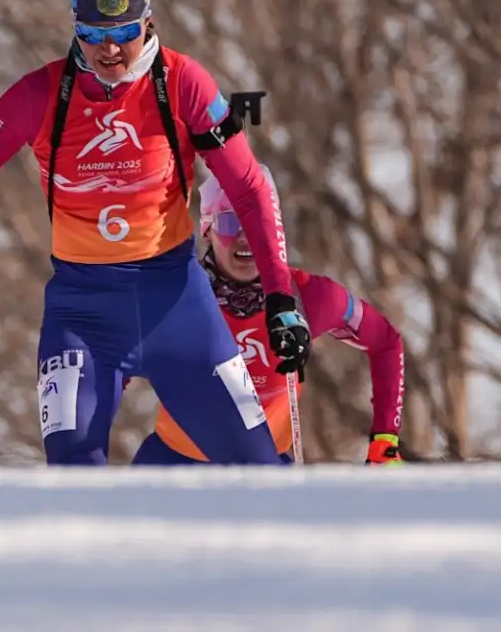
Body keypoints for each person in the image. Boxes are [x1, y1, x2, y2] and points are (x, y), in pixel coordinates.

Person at [0, 0, 312, 465]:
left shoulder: (182, 83)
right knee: (76, 480)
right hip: (82, 315)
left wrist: (280, 300)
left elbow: (248, 187)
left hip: (177, 307)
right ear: (75, 26)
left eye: (123, 34)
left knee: (259, 473)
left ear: (147, 21)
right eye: (94, 35)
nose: (110, 51)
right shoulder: (40, 96)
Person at [133, 167, 407, 466]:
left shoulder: (306, 298)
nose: (246, 238)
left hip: (264, 469)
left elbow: (385, 342)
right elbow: (108, 359)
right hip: (174, 466)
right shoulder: (177, 295)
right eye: (229, 221)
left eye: (256, 223)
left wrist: (385, 439)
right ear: (207, 229)